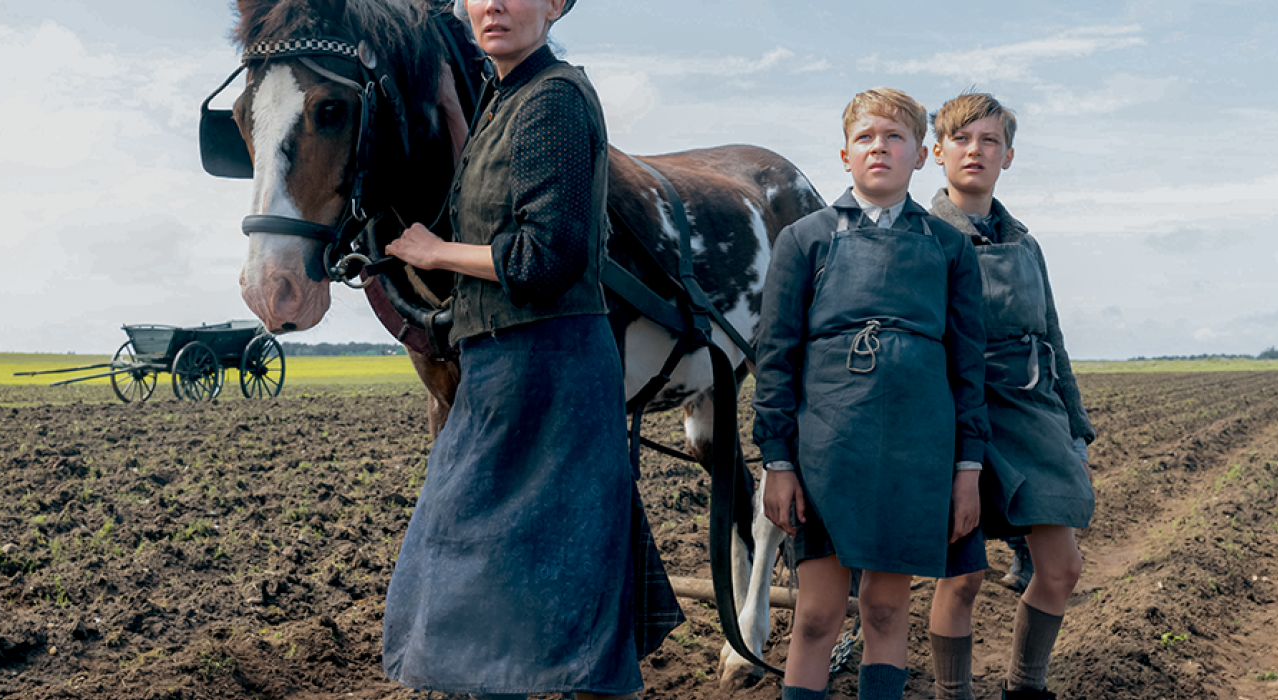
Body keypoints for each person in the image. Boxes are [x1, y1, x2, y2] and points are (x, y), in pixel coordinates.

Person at [379, 0, 679, 697]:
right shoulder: (501, 99)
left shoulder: (553, 99)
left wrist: (435, 251)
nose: (494, 4)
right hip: (504, 365)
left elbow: (548, 257)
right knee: (510, 569)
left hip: (549, 365)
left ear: (553, 6)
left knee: (494, 567)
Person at [753, 87, 990, 700]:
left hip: (917, 454)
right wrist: (778, 463)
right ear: (844, 154)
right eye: (866, 138)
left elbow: (968, 369)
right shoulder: (805, 240)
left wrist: (967, 470)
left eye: (894, 138)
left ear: (919, 156)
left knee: (885, 612)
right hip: (828, 450)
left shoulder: (949, 247)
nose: (879, 148)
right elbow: (775, 359)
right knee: (815, 616)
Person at [923, 93, 1097, 700]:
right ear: (938, 152)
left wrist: (1074, 424)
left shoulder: (1026, 244)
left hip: (1032, 411)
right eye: (962, 139)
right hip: (958, 418)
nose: (976, 151)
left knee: (1062, 568)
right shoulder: (922, 238)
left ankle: (1026, 687)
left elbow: (1052, 336)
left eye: (990, 141)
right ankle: (953, 695)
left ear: (1009, 155)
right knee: (963, 578)